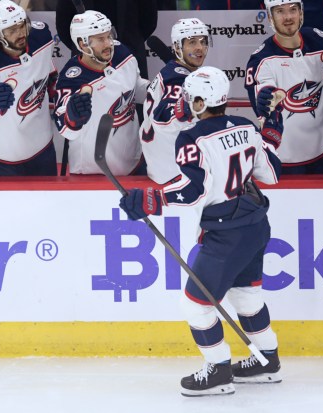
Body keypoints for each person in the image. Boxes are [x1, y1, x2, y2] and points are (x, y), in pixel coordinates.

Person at [119, 66, 283, 396]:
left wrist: (152, 198)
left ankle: (219, 370)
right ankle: (267, 360)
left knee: (195, 305)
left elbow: (193, 190)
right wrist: (273, 125)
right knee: (245, 295)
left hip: (226, 234)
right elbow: (271, 173)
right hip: (255, 224)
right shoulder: (246, 126)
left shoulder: (191, 137)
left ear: (197, 101)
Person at [0, 0, 57, 176]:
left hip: (42, 150)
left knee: (48, 204)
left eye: (22, 26)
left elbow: (49, 70)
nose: (21, 33)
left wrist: (55, 89)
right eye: (12, 30)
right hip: (1, 157)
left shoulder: (41, 36)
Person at [53, 10, 148, 175]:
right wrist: (73, 117)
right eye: (100, 39)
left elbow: (135, 86)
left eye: (109, 36)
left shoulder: (122, 53)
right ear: (83, 45)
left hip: (133, 163)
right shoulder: (71, 79)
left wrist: (158, 89)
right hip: (94, 173)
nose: (109, 43)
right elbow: (65, 129)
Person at [245, 0, 323, 174]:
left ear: (301, 12)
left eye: (293, 10)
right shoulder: (261, 60)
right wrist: (267, 100)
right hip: (284, 163)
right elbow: (265, 101)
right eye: (280, 11)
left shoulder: (322, 42)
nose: (288, 17)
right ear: (270, 16)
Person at [140, 18, 211, 184]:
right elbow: (167, 115)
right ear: (178, 47)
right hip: (176, 173)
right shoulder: (178, 80)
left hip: (161, 166)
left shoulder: (170, 72)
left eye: (203, 41)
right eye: (192, 42)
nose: (199, 47)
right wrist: (183, 109)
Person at [55, 0, 158, 80]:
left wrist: (128, 45)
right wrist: (89, 49)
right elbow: (64, 25)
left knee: (134, 101)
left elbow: (149, 19)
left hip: (130, 54)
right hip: (87, 63)